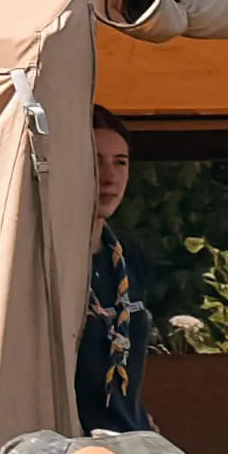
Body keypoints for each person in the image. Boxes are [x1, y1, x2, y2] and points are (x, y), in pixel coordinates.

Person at [75, 118, 152, 434]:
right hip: (68, 448)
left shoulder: (126, 255)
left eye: (120, 163)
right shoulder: (44, 258)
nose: (109, 177)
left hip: (128, 440)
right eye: (95, 161)